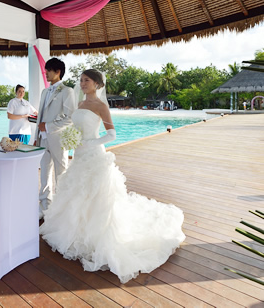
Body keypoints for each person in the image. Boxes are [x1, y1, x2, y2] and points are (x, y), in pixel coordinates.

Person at [40, 69, 185, 284]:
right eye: (80, 80)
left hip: (94, 156)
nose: (82, 84)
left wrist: (88, 143)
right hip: (78, 157)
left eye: (86, 80)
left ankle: (94, 237)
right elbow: (75, 126)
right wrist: (71, 140)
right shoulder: (79, 105)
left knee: (96, 198)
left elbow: (111, 135)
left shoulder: (101, 106)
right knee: (77, 194)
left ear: (98, 84)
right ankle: (74, 232)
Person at [35, 58, 75, 219]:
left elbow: (71, 117)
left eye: (48, 70)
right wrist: (36, 136)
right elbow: (40, 117)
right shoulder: (45, 91)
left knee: (61, 173)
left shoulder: (67, 91)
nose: (45, 73)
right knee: (44, 173)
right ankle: (45, 207)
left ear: (58, 72)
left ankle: (62, 207)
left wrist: (49, 126)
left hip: (58, 138)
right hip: (42, 139)